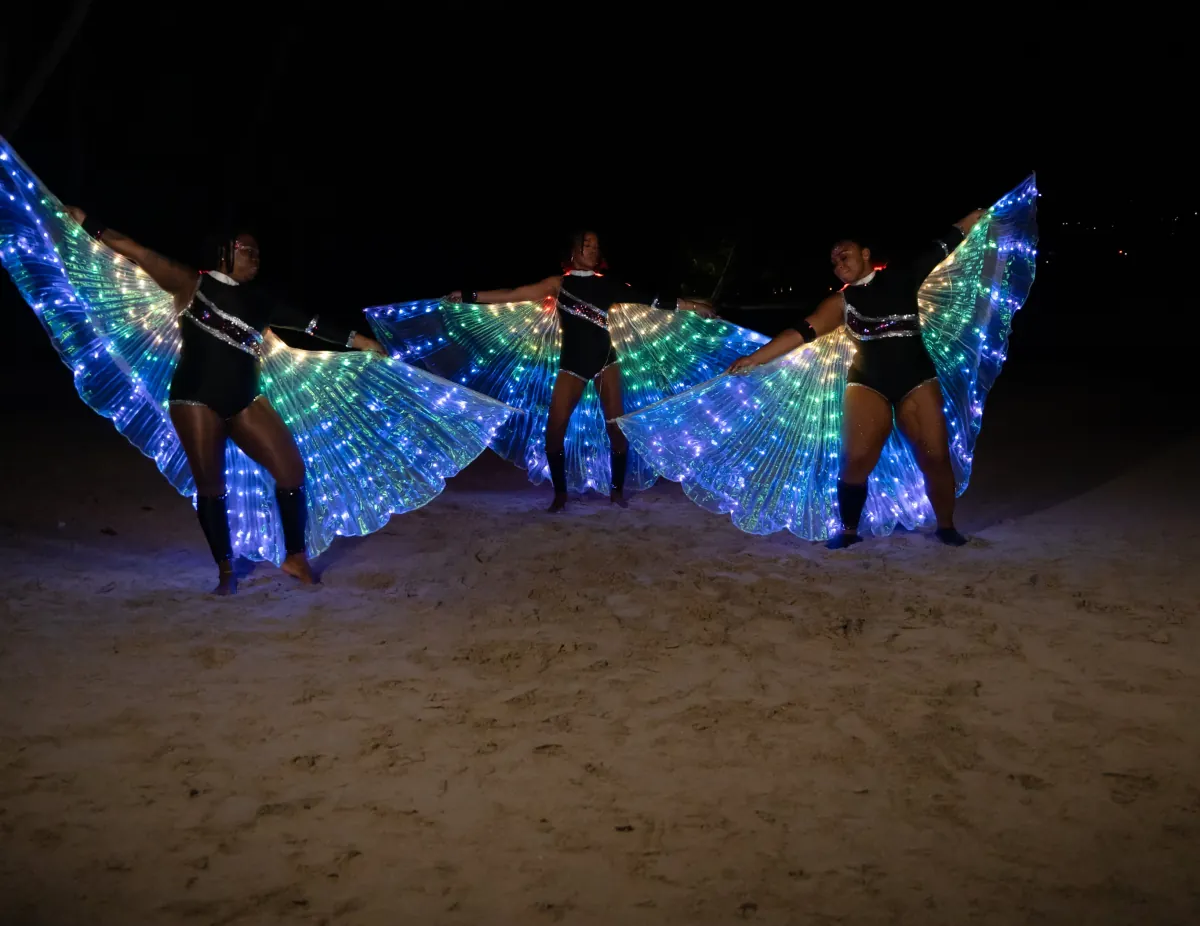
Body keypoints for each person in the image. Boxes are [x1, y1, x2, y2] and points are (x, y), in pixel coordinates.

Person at [63, 208, 384, 590]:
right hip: (194, 399)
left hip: (245, 399)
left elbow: (312, 324)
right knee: (211, 486)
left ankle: (295, 557)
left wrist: (362, 342)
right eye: (248, 251)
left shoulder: (262, 300)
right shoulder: (190, 283)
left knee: (291, 471)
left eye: (258, 253)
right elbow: (136, 250)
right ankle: (226, 571)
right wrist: (86, 223)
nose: (256, 258)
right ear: (224, 251)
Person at [726, 211, 985, 545]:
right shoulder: (841, 302)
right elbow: (801, 331)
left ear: (865, 254)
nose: (838, 263)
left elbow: (944, 245)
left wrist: (975, 218)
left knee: (935, 457)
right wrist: (754, 359)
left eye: (844, 255)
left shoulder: (902, 276)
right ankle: (848, 531)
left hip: (918, 380)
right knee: (856, 460)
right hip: (867, 383)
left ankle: (946, 527)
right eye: (834, 261)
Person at [444, 229, 715, 510]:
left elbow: (653, 300)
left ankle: (616, 492)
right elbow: (513, 294)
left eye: (596, 246)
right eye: (587, 245)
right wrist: (469, 295)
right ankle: (560, 495)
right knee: (554, 432)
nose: (593, 250)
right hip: (572, 365)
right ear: (573, 251)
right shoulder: (558, 284)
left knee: (616, 430)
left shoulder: (608, 284)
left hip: (606, 362)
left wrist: (693, 306)